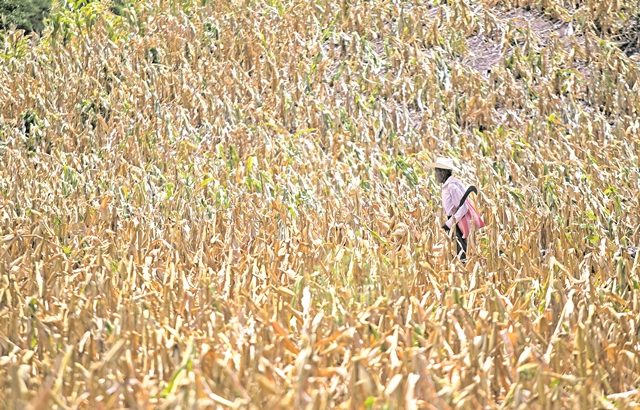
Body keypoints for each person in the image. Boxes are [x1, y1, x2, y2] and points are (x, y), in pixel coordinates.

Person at [432, 157, 485, 261]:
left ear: (443, 173)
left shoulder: (452, 186)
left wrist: (449, 224)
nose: (435, 175)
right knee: (457, 248)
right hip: (454, 220)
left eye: (437, 172)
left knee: (461, 251)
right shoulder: (449, 185)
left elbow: (463, 208)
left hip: (458, 222)